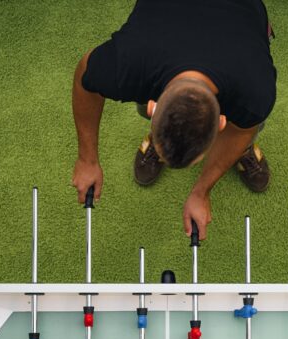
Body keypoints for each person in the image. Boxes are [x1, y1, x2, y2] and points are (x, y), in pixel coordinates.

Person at [71, 0, 276, 240]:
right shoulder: (129, 63)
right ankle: (164, 142)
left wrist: (201, 192)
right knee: (247, 119)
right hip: (165, 26)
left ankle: (241, 151)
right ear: (153, 107)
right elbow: (85, 78)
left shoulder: (254, 91)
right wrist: (87, 159)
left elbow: (241, 130)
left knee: (248, 124)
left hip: (241, 15)